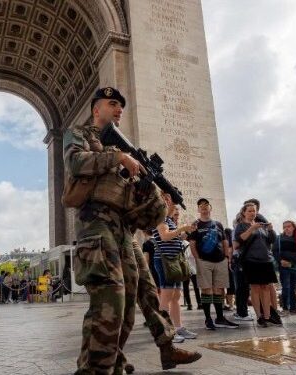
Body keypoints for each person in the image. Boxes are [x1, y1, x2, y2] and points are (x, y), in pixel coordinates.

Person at [66, 87, 200, 373]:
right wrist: (118, 159)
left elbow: (146, 220)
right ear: (96, 109)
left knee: (144, 295)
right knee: (110, 300)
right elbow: (75, 162)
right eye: (112, 104)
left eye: (121, 107)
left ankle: (165, 347)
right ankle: (95, 369)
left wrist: (148, 191)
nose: (118, 110)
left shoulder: (125, 151)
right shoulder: (81, 135)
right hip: (96, 226)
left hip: (124, 231)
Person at [188, 198, 238, 330]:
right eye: (201, 205)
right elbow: (192, 244)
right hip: (204, 261)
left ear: (211, 208)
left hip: (220, 260)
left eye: (206, 205)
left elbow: (224, 242)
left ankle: (220, 318)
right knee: (206, 290)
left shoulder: (218, 224)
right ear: (198, 210)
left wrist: (227, 257)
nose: (204, 207)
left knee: (219, 290)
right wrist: (198, 259)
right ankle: (208, 319)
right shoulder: (195, 225)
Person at [154, 199, 199, 341]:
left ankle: (178, 327)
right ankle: (165, 331)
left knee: (176, 296)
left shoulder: (169, 220)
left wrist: (184, 233)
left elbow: (173, 237)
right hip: (165, 260)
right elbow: (164, 236)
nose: (175, 207)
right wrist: (181, 229)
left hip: (174, 260)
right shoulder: (160, 218)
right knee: (166, 295)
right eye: (171, 203)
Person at [234, 203, 278, 327]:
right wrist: (251, 229)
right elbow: (239, 240)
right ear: (244, 213)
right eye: (249, 211)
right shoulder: (241, 226)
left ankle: (268, 316)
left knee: (265, 288)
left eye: (254, 211)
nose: (252, 213)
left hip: (266, 260)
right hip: (251, 260)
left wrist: (271, 230)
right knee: (255, 288)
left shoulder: (261, 226)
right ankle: (259, 316)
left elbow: (271, 240)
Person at [273, 220, 296, 315]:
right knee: (286, 287)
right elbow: (274, 252)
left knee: (293, 288)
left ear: (294, 227)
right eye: (285, 227)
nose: (286, 228)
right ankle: (285, 308)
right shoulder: (279, 238)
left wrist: (292, 263)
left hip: (294, 266)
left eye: (289, 226)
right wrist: (280, 261)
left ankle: (293, 308)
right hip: (283, 266)